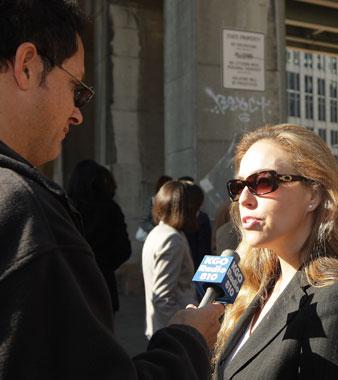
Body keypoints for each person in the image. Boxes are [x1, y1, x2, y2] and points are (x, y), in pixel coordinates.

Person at [0, 1, 223, 378]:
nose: (78, 113)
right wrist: (189, 339)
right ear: (27, 65)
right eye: (77, 89)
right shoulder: (24, 215)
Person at [213, 124, 338, 379]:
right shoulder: (259, 287)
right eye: (239, 187)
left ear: (314, 195)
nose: (245, 200)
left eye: (263, 182)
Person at [67, 159, 132, 313]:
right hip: (103, 284)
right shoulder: (110, 209)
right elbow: (123, 249)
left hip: (72, 284)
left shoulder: (66, 208)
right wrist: (103, 265)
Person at [142, 180, 204, 338]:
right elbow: (163, 297)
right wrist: (183, 329)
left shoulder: (158, 232)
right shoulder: (171, 239)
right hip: (173, 332)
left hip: (163, 328)